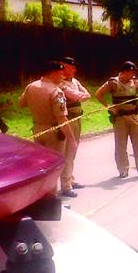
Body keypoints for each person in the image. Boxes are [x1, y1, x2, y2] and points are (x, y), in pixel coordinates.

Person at [19, 61, 78, 197]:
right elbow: (62, 119)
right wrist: (72, 139)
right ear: (53, 74)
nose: (62, 77)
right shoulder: (56, 92)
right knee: (53, 166)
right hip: (54, 132)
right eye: (60, 74)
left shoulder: (31, 86)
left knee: (41, 165)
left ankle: (40, 195)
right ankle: (51, 198)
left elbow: (21, 103)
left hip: (37, 128)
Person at [95, 61, 138, 179]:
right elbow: (99, 94)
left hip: (134, 116)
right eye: (131, 72)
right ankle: (123, 170)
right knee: (121, 145)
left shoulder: (135, 82)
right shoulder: (113, 83)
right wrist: (109, 106)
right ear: (124, 72)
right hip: (120, 117)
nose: (133, 75)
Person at [60, 57, 91, 190]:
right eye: (71, 67)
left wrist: (80, 95)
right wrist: (80, 95)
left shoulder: (75, 81)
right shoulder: (60, 82)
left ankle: (70, 179)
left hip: (77, 119)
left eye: (74, 67)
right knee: (67, 151)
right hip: (68, 120)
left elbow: (87, 94)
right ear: (63, 66)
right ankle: (66, 185)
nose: (74, 69)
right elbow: (74, 96)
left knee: (73, 151)